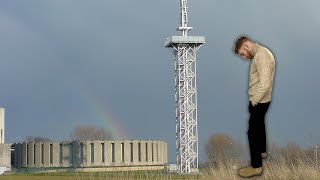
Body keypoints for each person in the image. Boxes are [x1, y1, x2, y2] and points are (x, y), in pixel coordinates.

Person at [233, 36, 276, 178]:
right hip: (261, 100)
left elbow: (264, 84)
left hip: (260, 101)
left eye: (242, 54)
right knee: (259, 125)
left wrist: (253, 102)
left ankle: (256, 166)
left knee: (252, 132)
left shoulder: (261, 56)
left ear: (246, 47)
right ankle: (262, 151)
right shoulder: (259, 54)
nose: (243, 57)